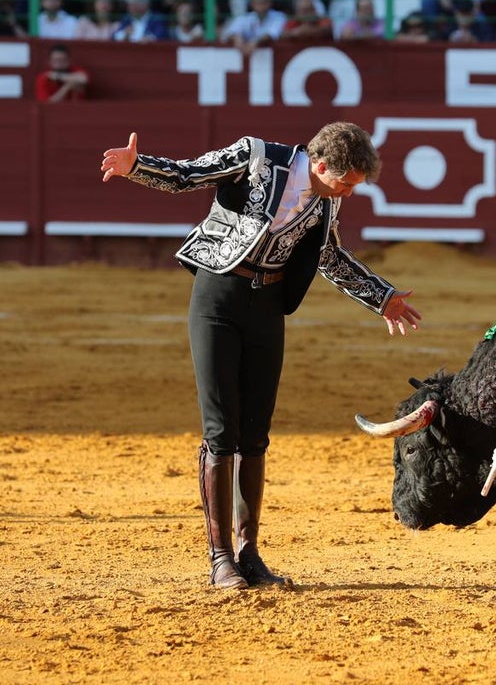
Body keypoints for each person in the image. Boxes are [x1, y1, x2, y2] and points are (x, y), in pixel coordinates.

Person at [98, 122, 422, 590]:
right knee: (220, 429)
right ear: (321, 164)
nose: (349, 194)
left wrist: (382, 296)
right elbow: (189, 175)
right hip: (218, 298)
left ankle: (249, 555)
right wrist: (136, 167)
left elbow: (329, 256)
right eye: (346, 183)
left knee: (255, 433)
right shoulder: (256, 157)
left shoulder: (325, 200)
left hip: (268, 307)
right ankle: (220, 558)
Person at [220, 0, 286, 52]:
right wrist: (237, 38)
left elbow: (272, 34)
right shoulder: (246, 17)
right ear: (252, 3)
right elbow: (231, 31)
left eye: (263, 2)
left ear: (270, 3)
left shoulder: (279, 17)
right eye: (257, 2)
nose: (260, 6)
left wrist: (255, 41)